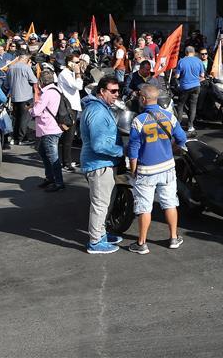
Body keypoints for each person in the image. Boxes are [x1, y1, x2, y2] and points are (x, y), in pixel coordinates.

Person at [126, 85, 187, 254]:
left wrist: (133, 171)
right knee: (170, 203)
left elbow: (133, 150)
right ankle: (174, 238)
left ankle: (142, 243)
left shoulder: (139, 121)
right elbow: (182, 138)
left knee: (144, 207)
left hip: (146, 171)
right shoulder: (169, 116)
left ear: (144, 99)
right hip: (167, 167)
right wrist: (172, 148)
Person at [79, 75, 126, 254]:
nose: (116, 95)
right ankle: (95, 241)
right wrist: (121, 151)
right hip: (98, 164)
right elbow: (99, 145)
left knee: (104, 202)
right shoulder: (97, 111)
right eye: (113, 91)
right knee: (100, 204)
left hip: (101, 163)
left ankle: (101, 233)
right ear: (102, 92)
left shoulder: (100, 108)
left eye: (118, 91)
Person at [30, 69, 65, 192]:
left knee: (52, 157)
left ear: (41, 81)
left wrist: (30, 110)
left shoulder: (47, 93)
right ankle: (50, 177)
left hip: (49, 128)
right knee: (43, 152)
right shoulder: (56, 90)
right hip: (53, 127)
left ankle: (58, 182)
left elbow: (36, 111)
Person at [57, 50, 85, 171]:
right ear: (70, 63)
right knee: (68, 136)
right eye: (76, 62)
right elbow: (78, 86)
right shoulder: (65, 74)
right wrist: (78, 74)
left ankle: (66, 161)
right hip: (68, 108)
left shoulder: (70, 73)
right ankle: (66, 163)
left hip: (73, 106)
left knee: (70, 136)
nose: (78, 64)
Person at [6, 50, 37, 145]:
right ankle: (21, 139)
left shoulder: (11, 67)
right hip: (26, 97)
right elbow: (34, 80)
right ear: (25, 59)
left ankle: (15, 137)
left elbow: (7, 82)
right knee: (24, 119)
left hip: (15, 96)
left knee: (17, 118)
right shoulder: (26, 67)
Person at [174, 46, 205, 134]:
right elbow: (202, 75)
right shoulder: (199, 61)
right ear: (194, 52)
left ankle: (178, 125)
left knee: (180, 105)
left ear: (186, 52)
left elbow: (177, 76)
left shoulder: (181, 61)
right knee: (193, 106)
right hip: (196, 86)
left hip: (185, 87)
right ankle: (190, 126)